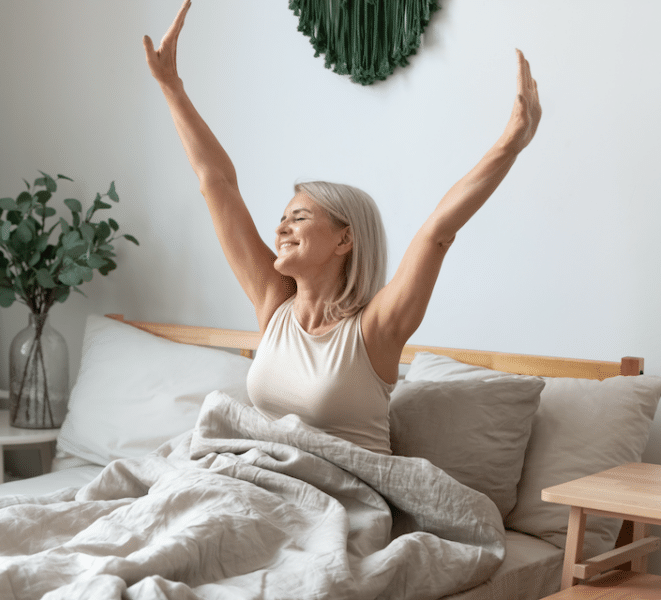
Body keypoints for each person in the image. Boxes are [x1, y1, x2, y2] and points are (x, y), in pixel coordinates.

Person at [144, 0, 541, 455]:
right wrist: (172, 88)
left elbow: (437, 231)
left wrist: (510, 144)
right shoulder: (274, 305)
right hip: (260, 475)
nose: (282, 229)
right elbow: (218, 184)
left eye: (300, 217)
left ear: (345, 239)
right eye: (282, 219)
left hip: (341, 487)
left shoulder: (376, 329)